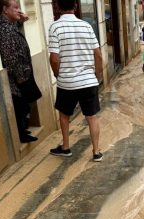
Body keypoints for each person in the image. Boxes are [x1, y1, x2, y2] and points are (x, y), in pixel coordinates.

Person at [48, 0, 104, 161]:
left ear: (57, 7)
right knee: (91, 116)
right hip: (88, 81)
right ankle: (96, 152)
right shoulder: (86, 26)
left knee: (64, 115)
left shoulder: (55, 27)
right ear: (76, 6)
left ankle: (65, 148)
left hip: (67, 82)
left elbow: (54, 59)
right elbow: (98, 55)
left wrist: (59, 75)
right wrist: (97, 75)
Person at [0, 0, 40, 144]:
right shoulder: (4, 29)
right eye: (15, 7)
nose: (19, 10)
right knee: (21, 105)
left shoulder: (9, 25)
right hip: (17, 78)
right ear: (5, 9)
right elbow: (9, 57)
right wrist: (20, 78)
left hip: (22, 74)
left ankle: (23, 129)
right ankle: (21, 134)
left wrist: (21, 22)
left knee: (25, 104)